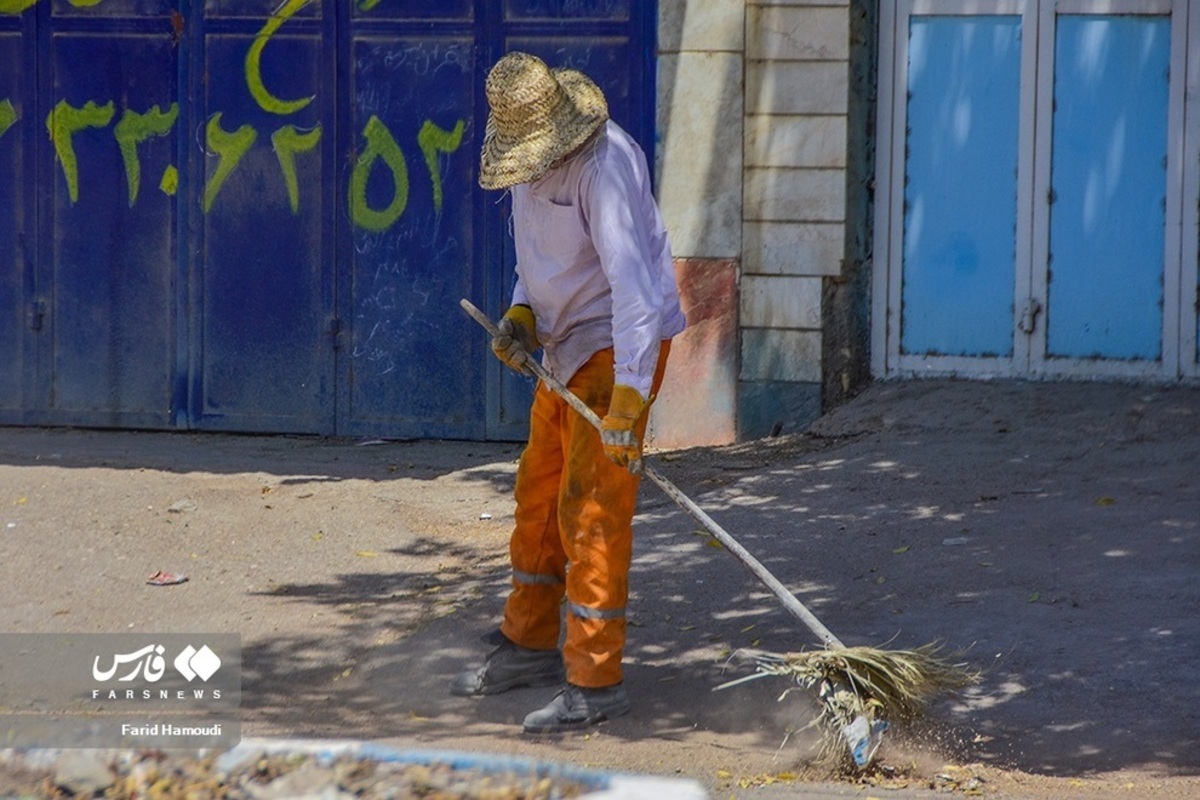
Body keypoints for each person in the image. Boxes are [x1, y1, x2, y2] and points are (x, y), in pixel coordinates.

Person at [450, 51, 686, 734]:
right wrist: (523, 316)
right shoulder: (528, 165)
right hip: (564, 344)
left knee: (591, 506)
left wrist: (630, 402)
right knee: (537, 488)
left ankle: (594, 679)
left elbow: (637, 294)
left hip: (619, 344)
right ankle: (527, 642)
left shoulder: (603, 167)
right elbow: (537, 262)